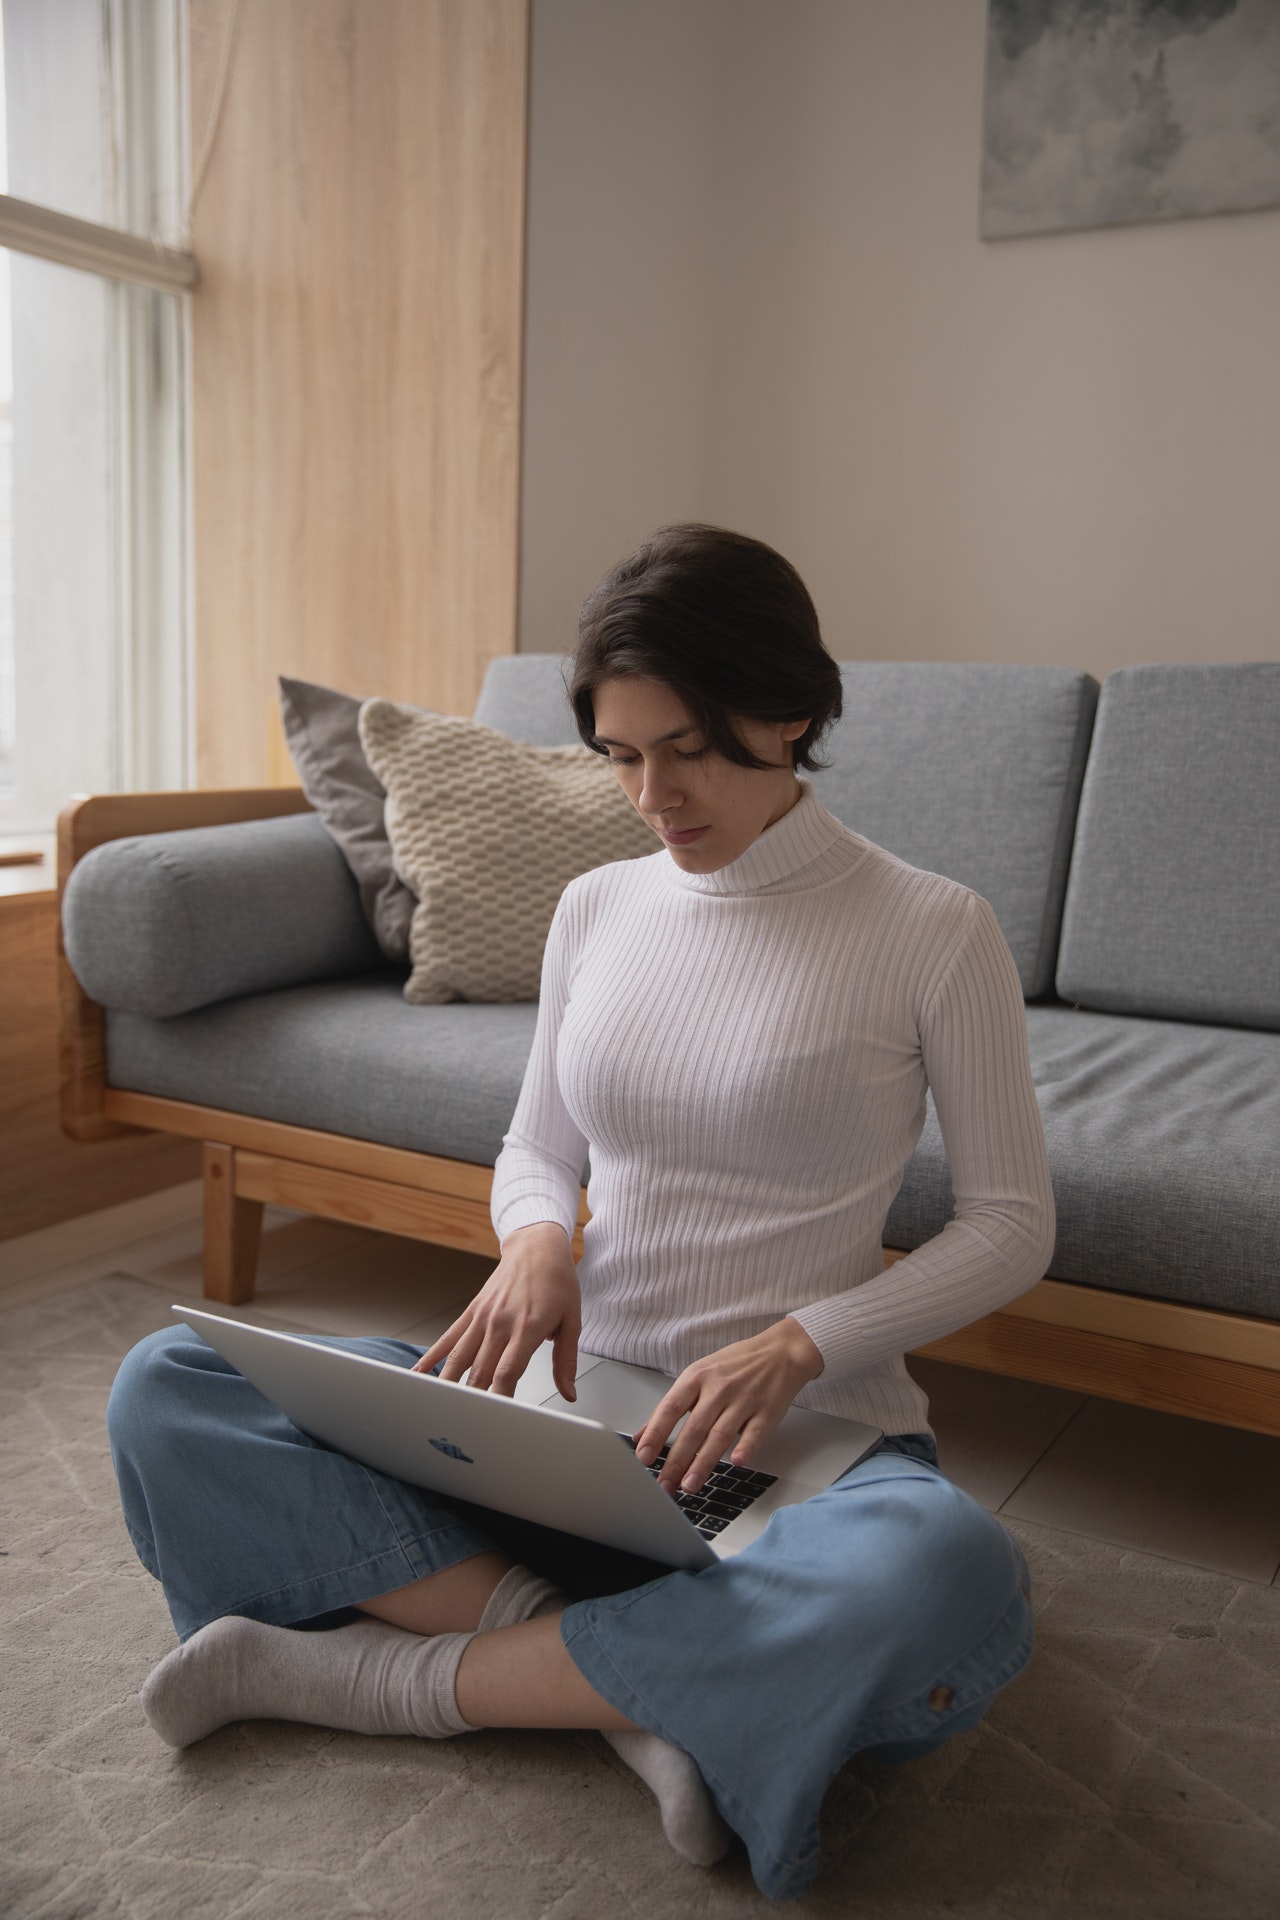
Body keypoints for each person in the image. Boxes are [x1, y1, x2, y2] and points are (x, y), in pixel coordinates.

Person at [107, 525, 1054, 1901]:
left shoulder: (930, 925)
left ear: (791, 711)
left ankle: (377, 1679)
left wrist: (800, 1343)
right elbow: (537, 1146)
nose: (653, 794)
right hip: (559, 1432)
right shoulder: (597, 905)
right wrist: (539, 1238)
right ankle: (622, 1687)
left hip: (797, 1460)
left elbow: (1012, 1220)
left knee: (951, 1576)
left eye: (690, 748)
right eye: (621, 755)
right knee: (176, 1380)